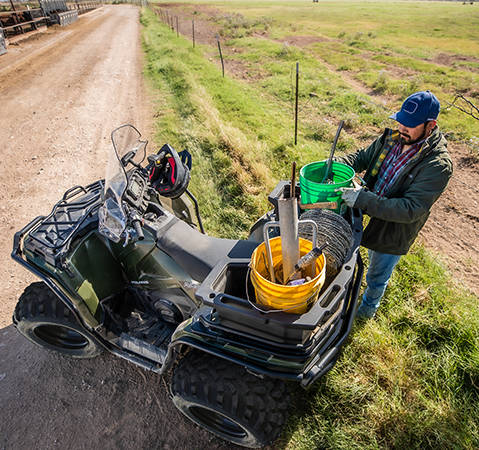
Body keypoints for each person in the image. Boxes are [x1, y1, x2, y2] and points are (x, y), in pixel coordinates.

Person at [337, 91, 453, 319]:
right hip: (367, 205)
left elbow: (410, 209)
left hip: (395, 226)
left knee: (377, 273)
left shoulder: (438, 164)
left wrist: (362, 199)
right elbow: (361, 157)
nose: (402, 128)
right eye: (401, 121)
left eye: (410, 125)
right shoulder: (391, 138)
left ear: (431, 125)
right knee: (347, 253)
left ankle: (368, 309)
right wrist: (335, 164)